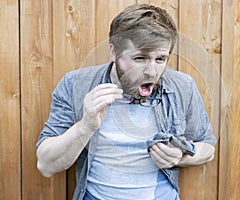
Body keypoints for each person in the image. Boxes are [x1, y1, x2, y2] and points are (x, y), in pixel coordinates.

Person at [36, 4, 216, 200]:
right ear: (114, 52)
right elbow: (46, 165)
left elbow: (207, 147)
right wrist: (85, 126)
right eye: (140, 58)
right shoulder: (75, 85)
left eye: (160, 59)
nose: (152, 72)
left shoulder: (182, 86)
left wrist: (181, 157)